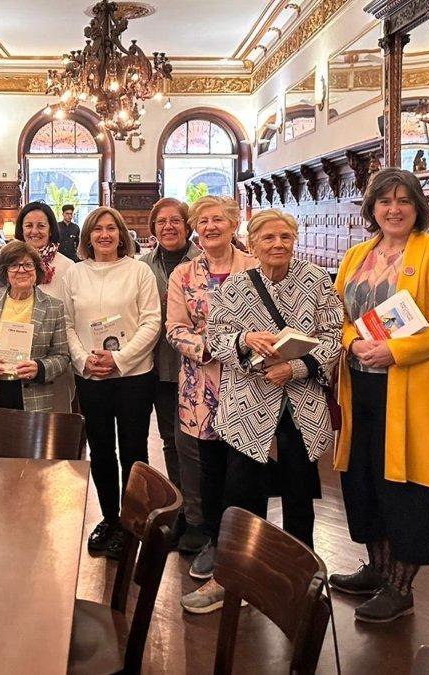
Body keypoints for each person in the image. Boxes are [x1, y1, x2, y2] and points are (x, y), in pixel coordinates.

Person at [181, 209, 343, 614]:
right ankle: (233, 577)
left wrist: (297, 366)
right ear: (251, 244)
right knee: (241, 492)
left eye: (285, 237)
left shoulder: (316, 280)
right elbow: (214, 339)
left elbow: (333, 335)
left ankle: (299, 579)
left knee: (299, 494)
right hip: (248, 406)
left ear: (295, 239)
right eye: (268, 238)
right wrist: (245, 339)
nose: (277, 245)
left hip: (300, 405)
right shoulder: (235, 286)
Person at [328, 169, 429, 623]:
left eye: (404, 200)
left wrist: (396, 349)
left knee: (408, 487)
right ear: (371, 209)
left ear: (417, 208)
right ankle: (378, 569)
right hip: (361, 385)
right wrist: (352, 343)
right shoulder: (356, 255)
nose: (394, 209)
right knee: (366, 478)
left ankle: (401, 587)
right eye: (384, 201)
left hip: (413, 388)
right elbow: (338, 315)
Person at [63, 206, 161, 559]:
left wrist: (119, 359)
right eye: (97, 229)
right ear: (87, 236)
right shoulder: (74, 274)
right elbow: (68, 324)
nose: (104, 235)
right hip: (91, 375)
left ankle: (133, 523)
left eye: (111, 229)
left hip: (133, 375)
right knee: (101, 450)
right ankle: (109, 519)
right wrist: (84, 359)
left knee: (134, 451)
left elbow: (152, 322)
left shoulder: (139, 272)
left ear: (122, 234)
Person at [165, 196, 257, 563]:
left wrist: (239, 347)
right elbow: (174, 329)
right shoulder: (183, 275)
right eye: (203, 221)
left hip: (251, 382)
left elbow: (270, 323)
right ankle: (215, 541)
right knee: (210, 467)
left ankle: (246, 548)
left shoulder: (256, 267)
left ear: (234, 224)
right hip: (201, 383)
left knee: (246, 469)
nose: (211, 227)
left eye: (219, 220)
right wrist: (215, 347)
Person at [139, 197, 207, 554]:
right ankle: (180, 510)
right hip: (154, 365)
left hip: (198, 367)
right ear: (152, 228)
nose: (168, 227)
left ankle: (200, 516)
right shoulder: (142, 264)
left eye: (175, 221)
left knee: (193, 445)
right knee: (170, 441)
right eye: (161, 222)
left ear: (187, 225)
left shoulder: (202, 261)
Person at [0, 241, 71, 411]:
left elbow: (62, 356)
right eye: (14, 265)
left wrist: (40, 368)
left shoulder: (54, 307)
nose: (22, 270)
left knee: (29, 439)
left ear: (37, 270)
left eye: (28, 265)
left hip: (33, 396)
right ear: (5, 272)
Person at [16, 201, 75, 412]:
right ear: (21, 229)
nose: (34, 231)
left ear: (51, 229)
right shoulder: (8, 263)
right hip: (15, 360)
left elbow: (71, 315)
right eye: (28, 225)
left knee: (55, 428)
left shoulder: (68, 267)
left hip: (54, 363)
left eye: (41, 225)